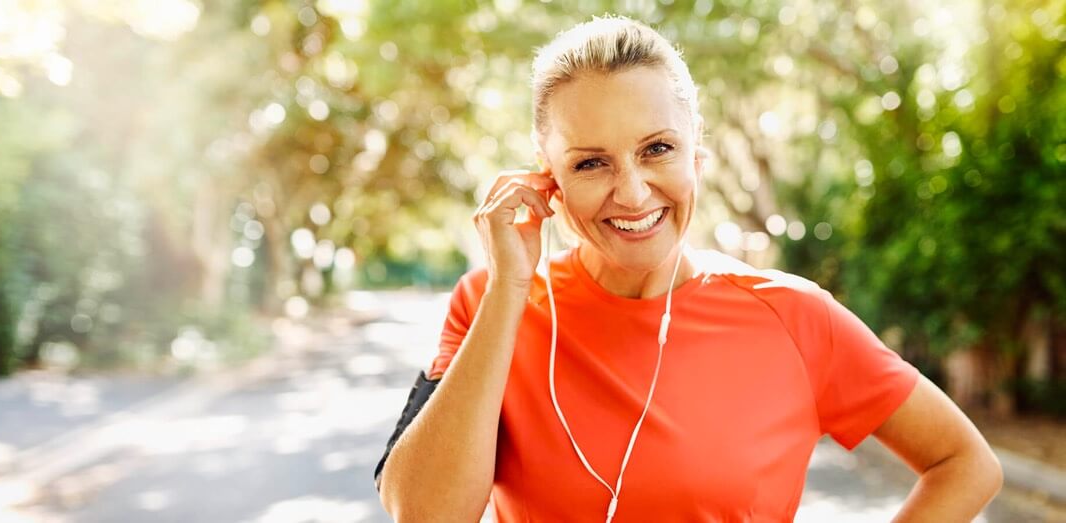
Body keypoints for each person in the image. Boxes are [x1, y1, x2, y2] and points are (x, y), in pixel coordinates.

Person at [376, 15, 1003, 522]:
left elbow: (964, 463)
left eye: (657, 149)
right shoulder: (489, 301)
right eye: (591, 163)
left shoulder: (793, 316)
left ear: (695, 148)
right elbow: (420, 514)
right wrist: (510, 290)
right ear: (547, 174)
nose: (632, 192)